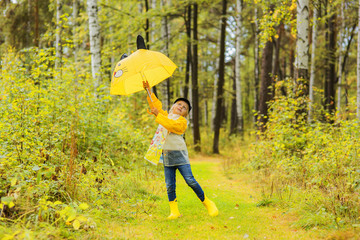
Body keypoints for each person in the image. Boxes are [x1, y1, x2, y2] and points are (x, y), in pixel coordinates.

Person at [143, 80, 218, 219]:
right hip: (167, 155)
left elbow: (172, 126)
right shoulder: (165, 116)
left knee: (190, 180)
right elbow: (156, 106)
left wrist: (157, 115)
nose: (181, 107)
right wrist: (148, 90)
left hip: (180, 156)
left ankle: (208, 203)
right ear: (172, 106)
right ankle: (174, 211)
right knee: (170, 184)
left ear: (185, 114)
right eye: (179, 104)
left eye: (184, 107)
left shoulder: (182, 122)